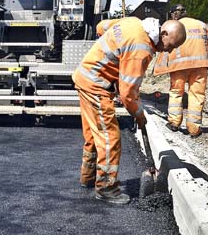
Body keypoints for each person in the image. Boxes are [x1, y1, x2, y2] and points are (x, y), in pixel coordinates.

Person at [73, 17, 186, 205]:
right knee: (110, 137)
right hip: (96, 86)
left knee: (94, 135)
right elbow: (127, 94)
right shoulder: (141, 48)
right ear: (163, 33)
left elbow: (101, 27)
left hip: (84, 78)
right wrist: (139, 115)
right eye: (170, 45)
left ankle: (88, 177)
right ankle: (106, 188)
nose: (169, 50)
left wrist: (116, 50)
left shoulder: (134, 22)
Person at [153, 4, 208, 137]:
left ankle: (174, 123)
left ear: (173, 14)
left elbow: (164, 46)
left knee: (176, 93)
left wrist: (160, 66)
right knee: (197, 95)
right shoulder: (201, 25)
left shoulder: (170, 27)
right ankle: (194, 129)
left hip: (178, 66)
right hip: (200, 65)